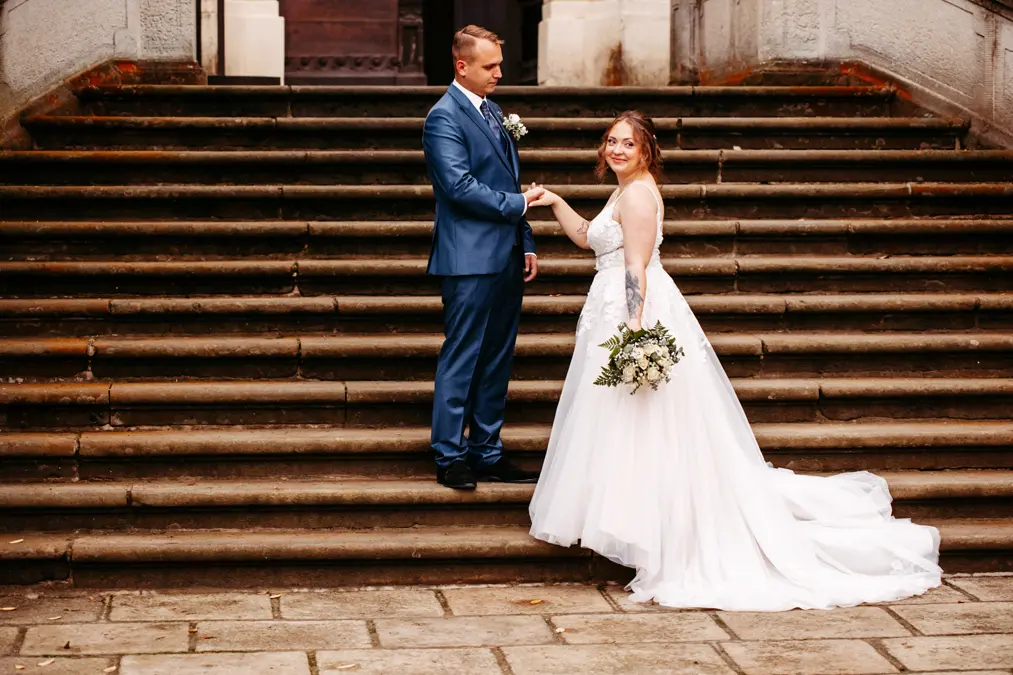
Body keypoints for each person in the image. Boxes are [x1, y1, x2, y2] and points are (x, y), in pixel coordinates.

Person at [526, 110, 942, 610]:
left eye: (627, 144)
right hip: (611, 307)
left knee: (644, 424)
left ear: (646, 151)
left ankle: (658, 534)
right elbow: (588, 239)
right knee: (627, 423)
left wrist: (634, 333)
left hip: (629, 312)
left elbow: (634, 265)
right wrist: (553, 201)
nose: (616, 150)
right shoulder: (624, 190)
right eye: (611, 141)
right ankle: (638, 526)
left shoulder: (637, 194)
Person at [423, 25, 542, 490]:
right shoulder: (443, 117)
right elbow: (457, 187)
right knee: (463, 357)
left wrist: (525, 239)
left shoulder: (492, 112)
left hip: (507, 255)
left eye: (498, 63)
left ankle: (487, 450)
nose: (499, 73)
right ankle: (450, 455)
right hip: (468, 259)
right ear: (462, 66)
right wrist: (519, 206)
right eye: (490, 66)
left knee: (496, 358)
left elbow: (511, 182)